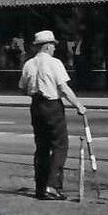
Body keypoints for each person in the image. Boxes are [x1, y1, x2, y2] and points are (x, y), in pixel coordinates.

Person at [19, 30, 87, 201]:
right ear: (48, 46)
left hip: (36, 105)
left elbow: (22, 87)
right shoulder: (55, 63)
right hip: (52, 105)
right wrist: (78, 105)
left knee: (41, 147)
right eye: (53, 45)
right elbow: (64, 88)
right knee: (59, 145)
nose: (55, 48)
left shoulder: (29, 64)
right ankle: (52, 186)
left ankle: (40, 187)